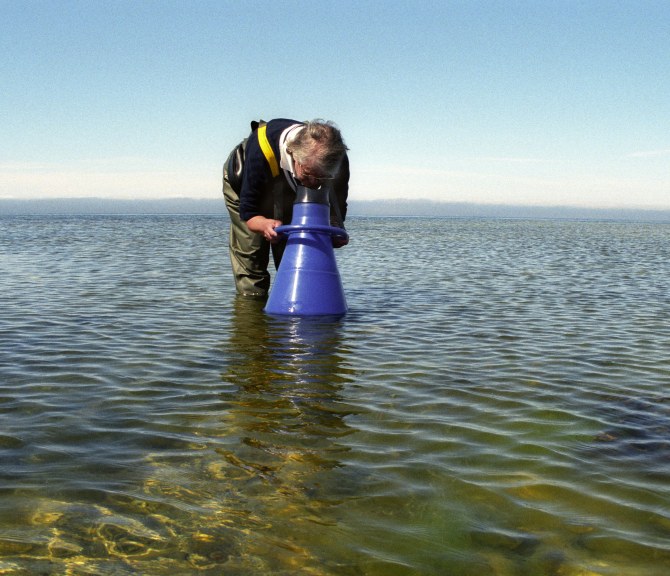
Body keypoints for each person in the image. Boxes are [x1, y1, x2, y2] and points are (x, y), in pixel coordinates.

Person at [222, 118, 349, 297]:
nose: (314, 184)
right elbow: (248, 213)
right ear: (293, 154)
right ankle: (252, 315)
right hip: (245, 182)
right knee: (252, 262)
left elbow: (337, 207)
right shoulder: (261, 149)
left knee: (294, 259)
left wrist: (334, 229)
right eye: (309, 174)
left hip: (290, 188)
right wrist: (263, 224)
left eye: (322, 177)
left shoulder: (336, 158)